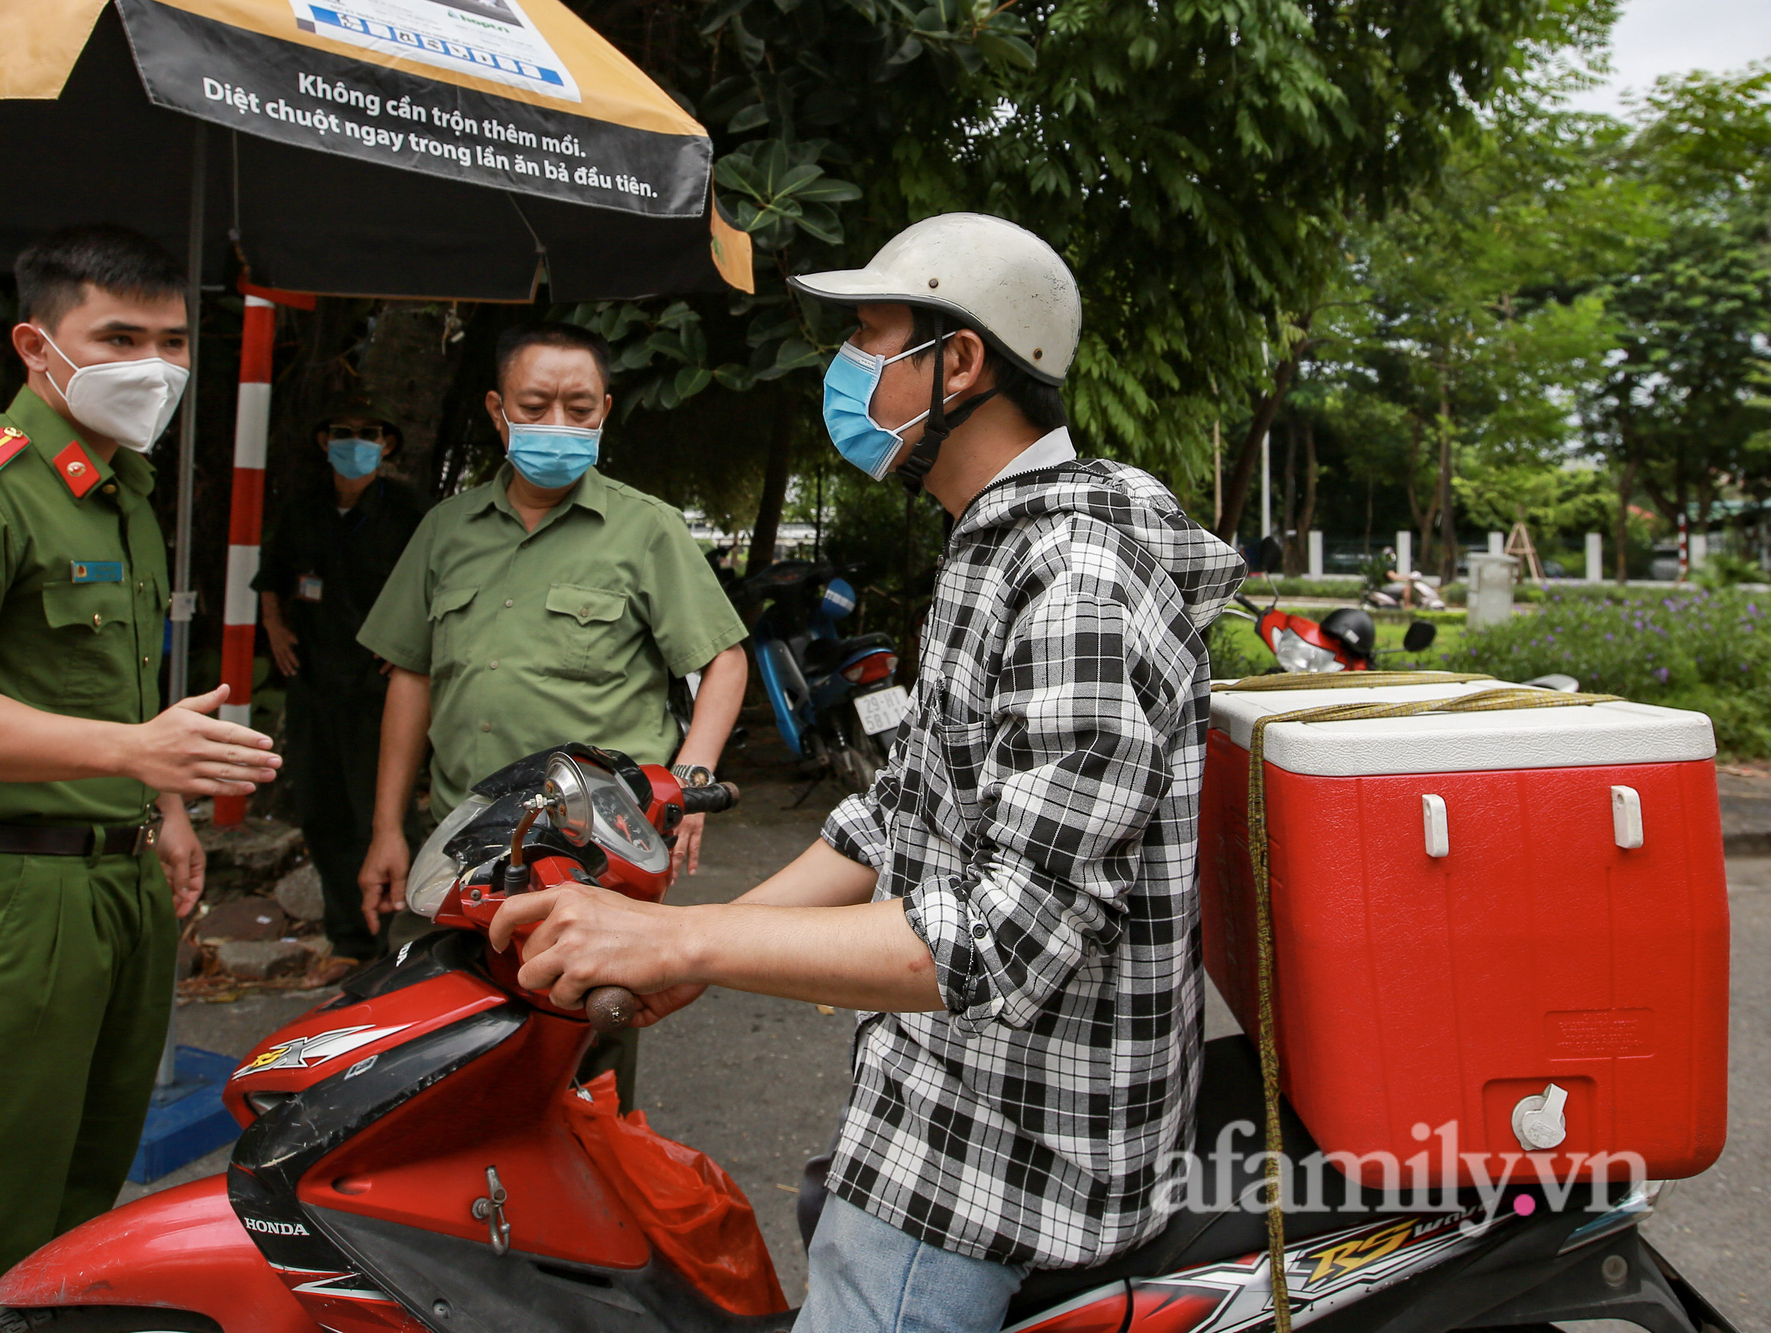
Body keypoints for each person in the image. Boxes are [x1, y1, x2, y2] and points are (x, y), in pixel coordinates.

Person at [485, 214, 1248, 1332]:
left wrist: (676, 936)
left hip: (990, 1167)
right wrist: (714, 944)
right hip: (935, 1104)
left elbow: (1003, 933)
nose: (844, 370)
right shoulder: (993, 545)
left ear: (961, 360)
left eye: (871, 336)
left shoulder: (1076, 581)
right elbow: (899, 811)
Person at [0, 224, 283, 1333]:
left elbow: (110, 690)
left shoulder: (121, 491)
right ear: (37, 344)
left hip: (117, 895)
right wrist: (131, 756)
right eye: (120, 337)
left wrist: (166, 809)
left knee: (79, 1223)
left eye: (176, 341)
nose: (157, 366)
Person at [355, 321, 749, 1107]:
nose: (559, 424)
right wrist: (387, 827)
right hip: (460, 846)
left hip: (593, 855)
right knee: (428, 1056)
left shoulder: (645, 529)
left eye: (579, 406)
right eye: (538, 405)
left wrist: (692, 773)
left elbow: (723, 659)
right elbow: (410, 677)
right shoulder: (445, 531)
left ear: (605, 411)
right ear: (500, 413)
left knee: (580, 1073)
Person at [255, 399, 430, 965]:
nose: (355, 442)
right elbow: (273, 579)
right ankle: (348, 942)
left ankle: (397, 945)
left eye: (368, 433)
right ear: (324, 439)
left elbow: (441, 588)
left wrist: (413, 647)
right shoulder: (303, 509)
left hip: (380, 693)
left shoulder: (410, 513)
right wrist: (276, 630)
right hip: (311, 683)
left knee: (382, 815)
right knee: (322, 813)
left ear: (387, 445)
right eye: (343, 431)